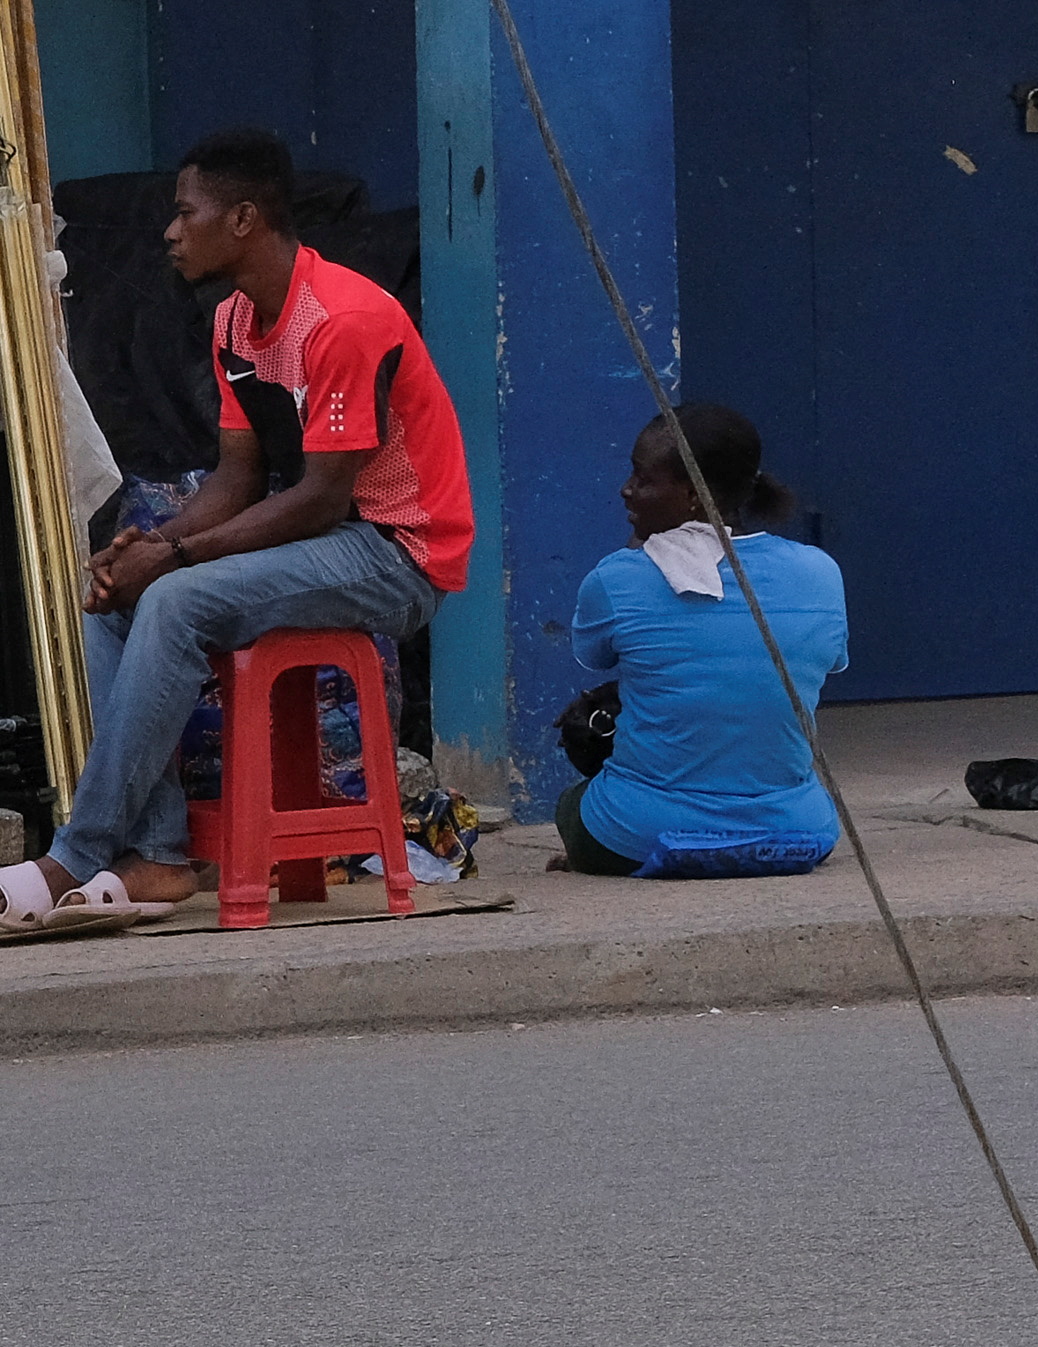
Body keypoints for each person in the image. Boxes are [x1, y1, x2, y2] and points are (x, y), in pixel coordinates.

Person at [0, 129, 475, 919]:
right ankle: (155, 852)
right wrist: (152, 547)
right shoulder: (234, 324)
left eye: (187, 213)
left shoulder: (342, 318)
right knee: (114, 599)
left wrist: (178, 555)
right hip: (328, 541)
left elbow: (324, 496)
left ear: (245, 219)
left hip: (397, 554)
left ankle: (73, 856)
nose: (170, 230)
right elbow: (237, 477)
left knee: (177, 600)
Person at [557, 404, 850, 878]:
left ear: (693, 496)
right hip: (799, 831)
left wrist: (641, 552)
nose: (626, 489)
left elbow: (594, 657)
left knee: (574, 800)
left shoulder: (618, 578)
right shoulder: (820, 572)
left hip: (637, 834)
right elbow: (826, 663)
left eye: (643, 478)